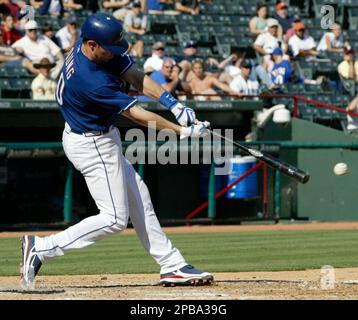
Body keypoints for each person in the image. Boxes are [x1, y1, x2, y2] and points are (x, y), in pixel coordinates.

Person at [20, 12, 213, 290]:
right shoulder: (90, 79)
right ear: (91, 45)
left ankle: (171, 265)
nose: (113, 55)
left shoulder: (89, 46)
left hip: (98, 135)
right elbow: (136, 114)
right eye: (108, 50)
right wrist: (182, 131)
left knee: (139, 195)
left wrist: (174, 103)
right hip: (91, 143)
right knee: (113, 219)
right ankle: (41, 248)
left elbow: (134, 75)